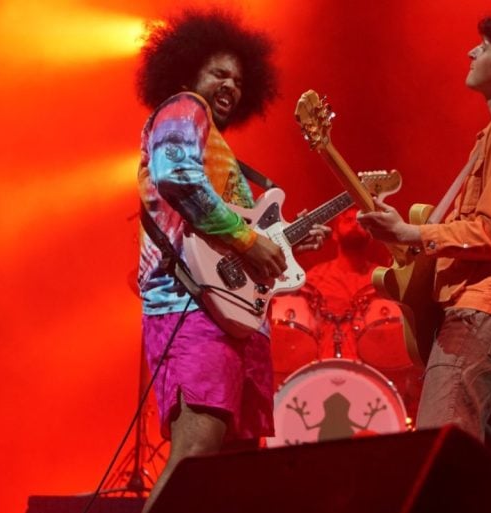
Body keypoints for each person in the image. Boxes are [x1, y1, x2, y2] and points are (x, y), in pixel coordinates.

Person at [135, 9, 329, 512]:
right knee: (195, 456)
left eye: (239, 80)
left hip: (234, 318)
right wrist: (248, 242)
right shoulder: (184, 107)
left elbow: (239, 232)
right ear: (188, 71)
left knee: (234, 468)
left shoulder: (221, 148)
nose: (230, 85)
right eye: (219, 72)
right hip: (191, 310)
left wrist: (281, 246)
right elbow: (177, 178)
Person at [357, 10, 491, 460]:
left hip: (484, 313)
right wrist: (408, 234)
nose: (471, 52)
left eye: (484, 47)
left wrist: (412, 231)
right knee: (479, 473)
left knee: (442, 460)